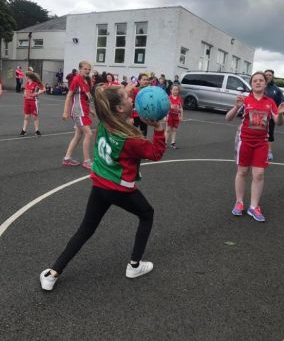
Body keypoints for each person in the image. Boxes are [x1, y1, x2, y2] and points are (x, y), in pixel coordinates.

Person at [39, 85, 166, 291]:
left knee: (86, 229)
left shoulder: (104, 124)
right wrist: (159, 129)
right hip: (119, 189)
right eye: (127, 97)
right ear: (118, 108)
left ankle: (53, 273)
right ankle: (134, 265)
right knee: (147, 214)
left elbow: (121, 111)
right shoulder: (130, 140)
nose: (131, 98)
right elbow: (156, 153)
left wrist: (133, 101)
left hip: (100, 184)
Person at [225, 71, 284, 222]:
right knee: (242, 172)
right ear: (251, 84)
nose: (258, 82)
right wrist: (235, 107)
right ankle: (239, 202)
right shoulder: (245, 100)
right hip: (244, 141)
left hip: (261, 143)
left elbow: (279, 123)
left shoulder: (270, 102)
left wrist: (279, 114)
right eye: (255, 81)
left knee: (259, 174)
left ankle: (254, 206)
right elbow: (228, 118)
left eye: (261, 80)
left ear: (265, 84)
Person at [62, 61, 94, 170]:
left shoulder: (86, 81)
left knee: (78, 135)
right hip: (78, 111)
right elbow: (69, 96)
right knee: (88, 133)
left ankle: (67, 158)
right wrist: (65, 111)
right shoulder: (76, 79)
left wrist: (90, 110)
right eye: (85, 69)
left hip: (84, 110)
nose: (87, 71)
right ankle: (87, 161)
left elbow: (85, 98)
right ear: (80, 69)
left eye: (89, 69)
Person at [264, 69, 284, 161]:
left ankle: (269, 151)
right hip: (258, 114)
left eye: (270, 75)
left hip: (271, 115)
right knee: (256, 131)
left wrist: (281, 113)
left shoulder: (276, 89)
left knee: (270, 133)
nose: (268, 76)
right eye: (266, 75)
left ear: (272, 76)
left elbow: (282, 101)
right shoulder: (260, 86)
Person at [20, 71, 46, 136]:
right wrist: (24, 94)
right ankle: (24, 130)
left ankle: (37, 130)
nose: (26, 77)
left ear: (29, 76)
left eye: (26, 76)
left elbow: (44, 89)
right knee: (26, 116)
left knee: (35, 116)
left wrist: (36, 93)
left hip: (34, 101)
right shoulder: (27, 83)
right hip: (26, 101)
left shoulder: (36, 83)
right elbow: (25, 91)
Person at [165, 84, 183, 149]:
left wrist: (181, 116)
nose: (175, 91)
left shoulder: (179, 98)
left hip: (176, 116)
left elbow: (181, 108)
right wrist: (165, 116)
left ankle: (173, 143)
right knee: (168, 129)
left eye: (177, 90)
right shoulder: (168, 98)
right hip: (170, 115)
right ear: (171, 90)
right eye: (174, 89)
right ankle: (165, 143)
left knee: (174, 130)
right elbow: (166, 108)